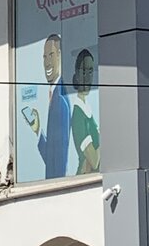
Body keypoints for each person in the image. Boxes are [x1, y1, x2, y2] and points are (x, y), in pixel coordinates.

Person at [29, 34, 70, 178]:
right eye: (44, 57)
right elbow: (51, 159)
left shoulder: (61, 98)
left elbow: (59, 163)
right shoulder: (55, 94)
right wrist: (38, 131)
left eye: (51, 55)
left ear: (60, 56)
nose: (47, 63)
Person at [71, 49, 100, 174]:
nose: (88, 77)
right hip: (85, 177)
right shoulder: (78, 114)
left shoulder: (87, 108)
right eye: (84, 72)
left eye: (90, 71)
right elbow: (94, 161)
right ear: (77, 75)